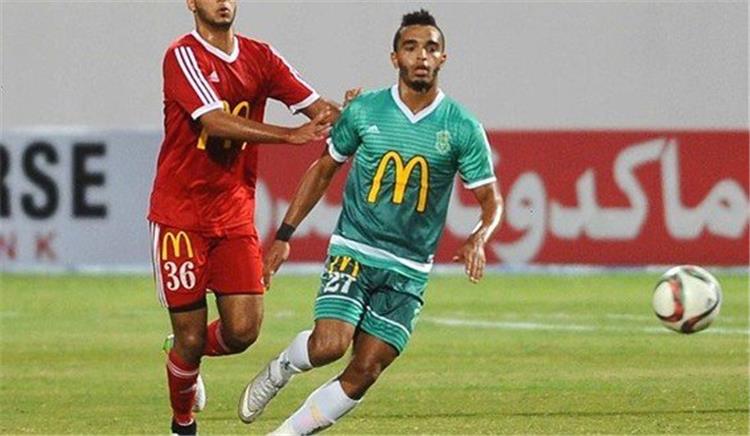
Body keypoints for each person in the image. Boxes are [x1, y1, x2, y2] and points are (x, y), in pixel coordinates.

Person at [237, 9, 504, 435]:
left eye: (431, 48)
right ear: (395, 57)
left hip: (410, 268)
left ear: (443, 58)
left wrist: (479, 236)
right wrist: (285, 235)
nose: (421, 56)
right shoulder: (365, 110)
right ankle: (283, 366)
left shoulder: (463, 127)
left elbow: (491, 200)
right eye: (411, 47)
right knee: (329, 345)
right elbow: (323, 170)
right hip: (356, 248)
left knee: (365, 370)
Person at [147, 1, 341, 434]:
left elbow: (318, 110)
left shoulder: (261, 57)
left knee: (243, 332)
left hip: (233, 214)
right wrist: (290, 136)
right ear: (191, 3)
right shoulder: (182, 55)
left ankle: (181, 350)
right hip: (180, 216)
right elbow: (215, 122)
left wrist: (352, 115)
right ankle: (183, 423)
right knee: (192, 336)